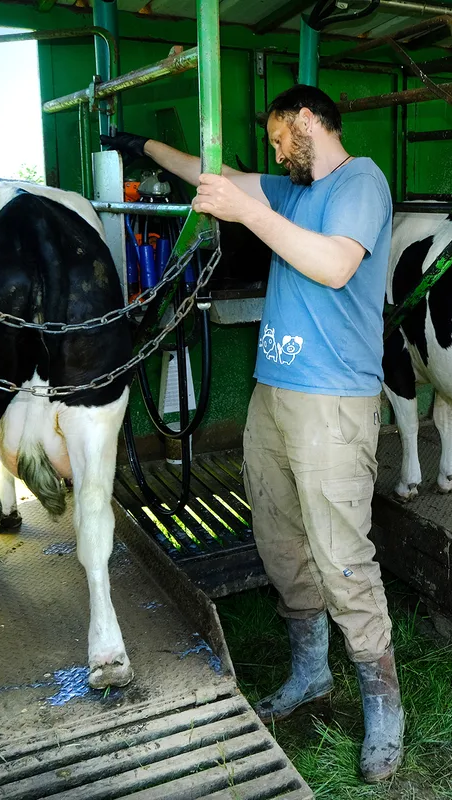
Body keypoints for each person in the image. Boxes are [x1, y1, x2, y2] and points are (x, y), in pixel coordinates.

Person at [101, 84, 401, 783]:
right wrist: (141, 147)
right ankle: (310, 673)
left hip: (334, 400)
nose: (271, 153)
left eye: (275, 139)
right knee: (279, 537)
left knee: (342, 556)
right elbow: (214, 178)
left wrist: (246, 214)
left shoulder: (362, 181)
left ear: (306, 122)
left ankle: (384, 707)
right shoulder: (288, 188)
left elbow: (333, 264)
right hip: (276, 394)